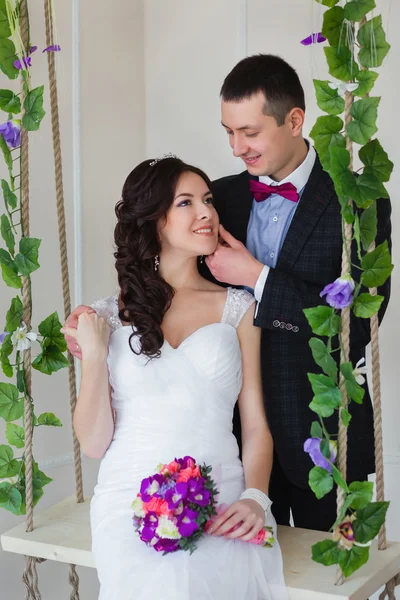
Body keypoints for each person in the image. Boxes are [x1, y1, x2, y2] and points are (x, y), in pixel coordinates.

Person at [62, 156, 288, 600]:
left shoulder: (238, 307)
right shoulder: (107, 315)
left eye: (207, 200)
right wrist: (92, 355)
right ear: (154, 221)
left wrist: (256, 498)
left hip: (220, 494)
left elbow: (256, 421)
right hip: (127, 497)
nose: (206, 212)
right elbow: (92, 444)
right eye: (186, 202)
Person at [200, 54, 392, 531]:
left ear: (295, 120)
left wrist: (255, 275)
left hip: (324, 434)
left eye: (250, 132)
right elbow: (169, 284)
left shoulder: (359, 201)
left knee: (325, 581)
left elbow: (359, 325)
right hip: (228, 435)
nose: (236, 147)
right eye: (228, 131)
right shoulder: (218, 198)